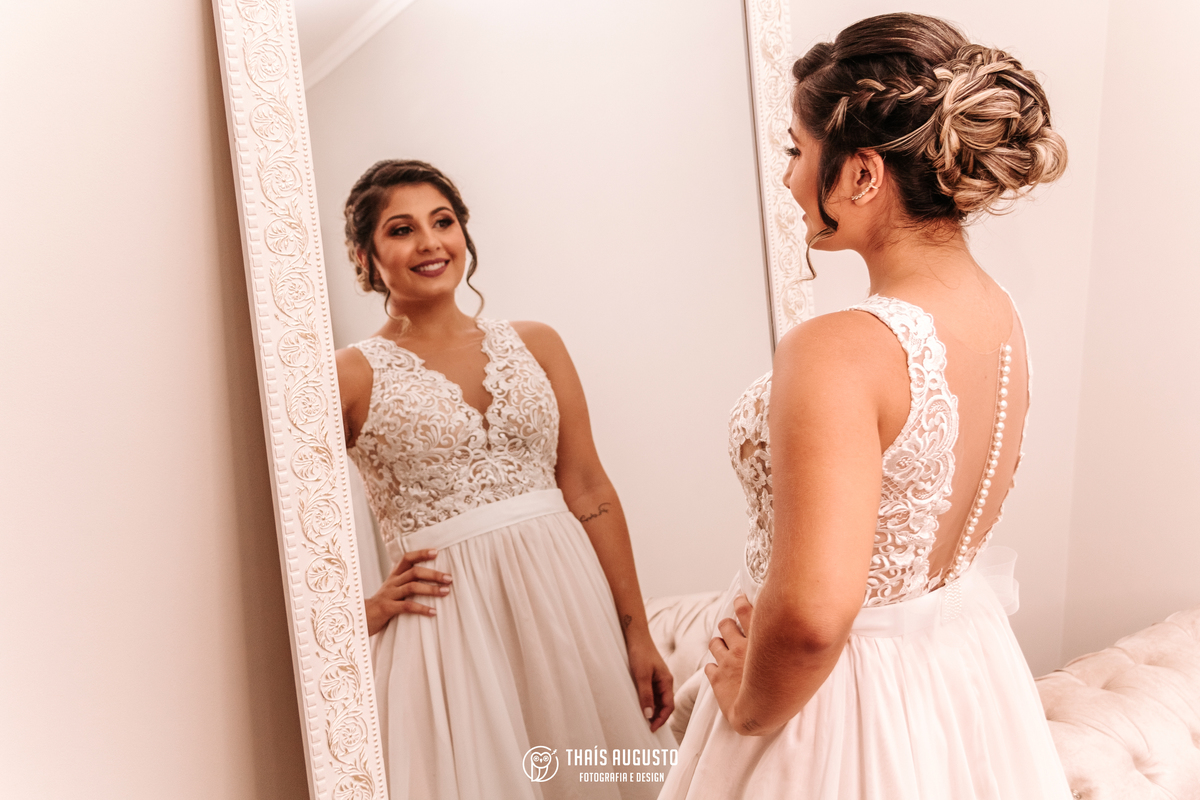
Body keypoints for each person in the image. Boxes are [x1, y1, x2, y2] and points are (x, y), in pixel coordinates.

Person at [659, 13, 1073, 799]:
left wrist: (747, 707)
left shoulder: (838, 348)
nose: (789, 179)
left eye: (796, 151)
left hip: (836, 708)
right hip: (956, 676)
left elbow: (813, 615)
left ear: (861, 174)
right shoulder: (999, 314)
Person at [335, 160, 676, 800]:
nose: (430, 243)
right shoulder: (348, 375)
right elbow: (295, 517)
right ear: (365, 256)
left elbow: (589, 489)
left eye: (443, 222)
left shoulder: (537, 344)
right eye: (402, 230)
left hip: (568, 607)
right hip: (449, 628)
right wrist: (362, 611)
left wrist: (637, 631)